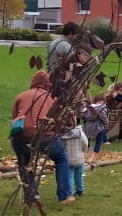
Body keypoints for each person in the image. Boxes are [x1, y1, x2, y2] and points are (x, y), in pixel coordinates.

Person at [10, 70, 74, 204]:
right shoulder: (50, 98)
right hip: (44, 135)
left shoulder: (21, 96)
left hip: (21, 136)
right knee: (61, 158)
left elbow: (15, 118)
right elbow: (58, 120)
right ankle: (64, 195)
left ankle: (32, 197)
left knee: (24, 164)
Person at [61, 123, 88, 197]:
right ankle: (80, 190)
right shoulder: (80, 133)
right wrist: (84, 151)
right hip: (79, 159)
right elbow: (85, 143)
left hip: (68, 159)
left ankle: (70, 193)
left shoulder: (63, 134)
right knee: (79, 176)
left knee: (69, 177)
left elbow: (61, 146)